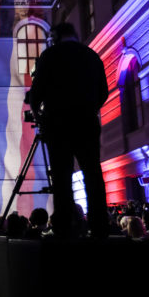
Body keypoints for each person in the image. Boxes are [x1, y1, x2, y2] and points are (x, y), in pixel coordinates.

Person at [26, 22, 110, 239]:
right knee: (93, 173)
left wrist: (40, 117)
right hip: (87, 122)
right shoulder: (92, 56)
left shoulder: (50, 56)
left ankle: (63, 227)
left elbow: (35, 96)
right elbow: (103, 92)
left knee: (62, 178)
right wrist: (89, 108)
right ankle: (99, 227)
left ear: (55, 36)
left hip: (58, 124)